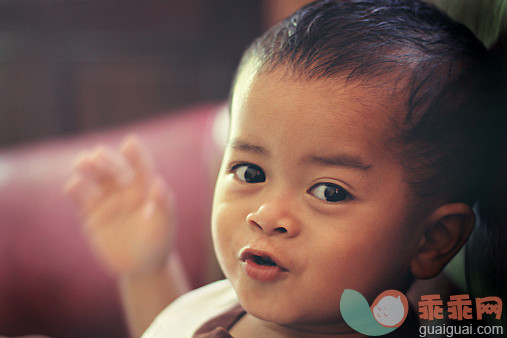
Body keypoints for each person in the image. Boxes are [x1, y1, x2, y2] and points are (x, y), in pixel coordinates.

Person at [65, 0, 505, 336]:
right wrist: (147, 268)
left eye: (330, 191)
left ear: (433, 239)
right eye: (250, 173)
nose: (267, 215)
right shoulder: (217, 305)